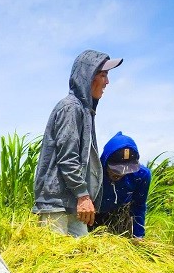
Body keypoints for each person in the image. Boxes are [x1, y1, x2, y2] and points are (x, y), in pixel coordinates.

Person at [32, 50, 123, 237]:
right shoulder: (71, 108)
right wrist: (83, 194)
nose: (107, 82)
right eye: (103, 74)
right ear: (87, 76)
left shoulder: (85, 111)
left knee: (82, 259)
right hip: (56, 205)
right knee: (54, 260)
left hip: (72, 203)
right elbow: (68, 157)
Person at [93, 132, 151, 239]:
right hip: (91, 213)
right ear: (105, 161)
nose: (120, 173)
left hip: (116, 215)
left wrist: (138, 235)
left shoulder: (141, 175)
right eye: (115, 169)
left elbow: (139, 205)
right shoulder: (93, 172)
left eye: (126, 169)